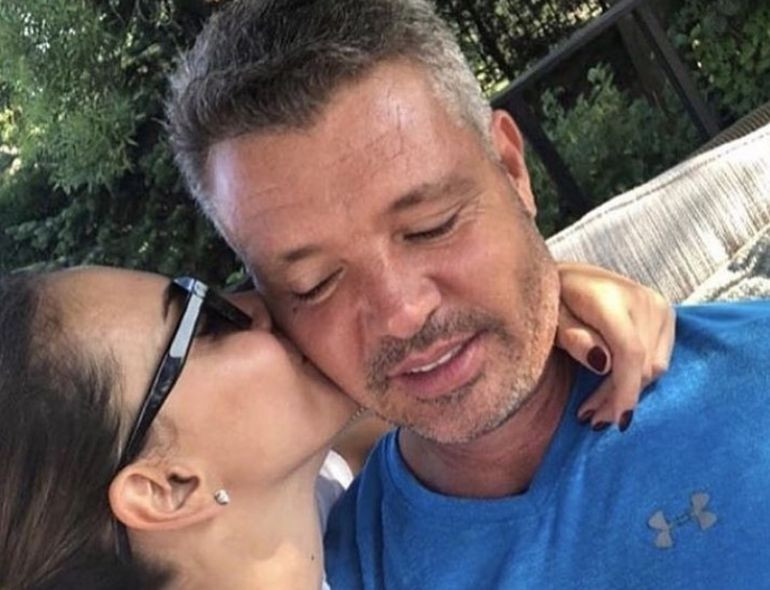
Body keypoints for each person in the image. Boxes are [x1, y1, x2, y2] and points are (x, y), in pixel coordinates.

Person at [164, 0, 770, 588]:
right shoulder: (322, 568)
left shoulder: (750, 372)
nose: (402, 313)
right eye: (315, 284)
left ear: (511, 167)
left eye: (432, 226)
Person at [0, 265, 673, 590]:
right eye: (205, 323)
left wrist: (532, 301)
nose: (258, 304)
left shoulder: (309, 502)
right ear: (169, 488)